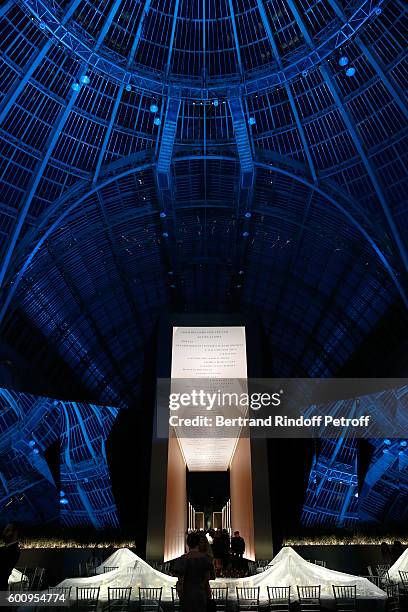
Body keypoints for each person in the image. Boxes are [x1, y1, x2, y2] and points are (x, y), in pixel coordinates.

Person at [173, 532, 214, 612]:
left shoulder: (182, 559)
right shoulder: (206, 559)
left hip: (187, 595)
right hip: (201, 594)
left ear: (188, 543)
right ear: (198, 543)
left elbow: (180, 580)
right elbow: (207, 579)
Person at [0, 523, 21, 591]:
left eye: (7, 530)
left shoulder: (13, 550)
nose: (3, 533)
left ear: (15, 533)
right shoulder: (6, 548)